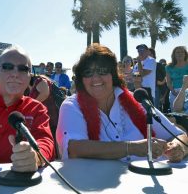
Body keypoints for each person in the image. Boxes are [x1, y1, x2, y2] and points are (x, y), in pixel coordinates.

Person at [56, 43, 188, 163]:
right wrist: (133, 147)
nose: (95, 78)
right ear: (81, 79)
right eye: (88, 72)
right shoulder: (72, 105)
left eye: (102, 71)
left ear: (113, 75)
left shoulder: (136, 100)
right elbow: (74, 148)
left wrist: (179, 148)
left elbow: (180, 135)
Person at [166, 46, 188, 111]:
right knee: (175, 114)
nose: (180, 54)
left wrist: (184, 91)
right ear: (174, 55)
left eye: (182, 52)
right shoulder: (168, 67)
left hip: (187, 91)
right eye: (177, 52)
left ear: (185, 54)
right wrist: (173, 91)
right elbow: (168, 82)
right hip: (174, 92)